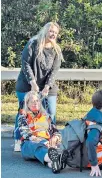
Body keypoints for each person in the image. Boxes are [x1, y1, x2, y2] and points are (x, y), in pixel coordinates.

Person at [14, 22, 63, 152]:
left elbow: (54, 71)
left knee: (50, 112)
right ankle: (19, 140)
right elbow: (25, 64)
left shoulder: (56, 50)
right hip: (27, 83)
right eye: (51, 31)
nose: (53, 34)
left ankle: (51, 138)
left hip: (47, 84)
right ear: (45, 31)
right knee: (23, 111)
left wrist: (47, 86)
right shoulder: (33, 44)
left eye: (56, 33)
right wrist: (33, 83)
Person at [18, 91, 67, 173]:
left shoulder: (46, 116)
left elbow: (55, 131)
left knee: (51, 150)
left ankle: (54, 164)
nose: (35, 103)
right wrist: (42, 142)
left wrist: (56, 137)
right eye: (32, 101)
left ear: (40, 103)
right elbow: (25, 133)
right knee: (37, 146)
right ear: (27, 104)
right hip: (29, 144)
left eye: (37, 101)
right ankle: (56, 158)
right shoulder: (23, 116)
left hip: (47, 144)